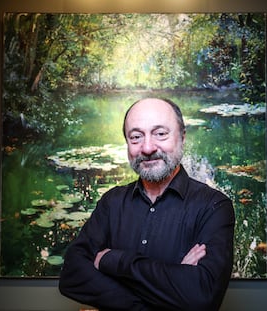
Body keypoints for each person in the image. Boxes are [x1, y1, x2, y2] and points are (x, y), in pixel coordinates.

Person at [59, 98, 235, 311]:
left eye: (160, 134)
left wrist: (113, 261)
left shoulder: (213, 206)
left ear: (182, 138)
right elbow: (71, 276)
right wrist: (172, 284)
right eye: (136, 137)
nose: (148, 147)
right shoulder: (111, 203)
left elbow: (202, 298)